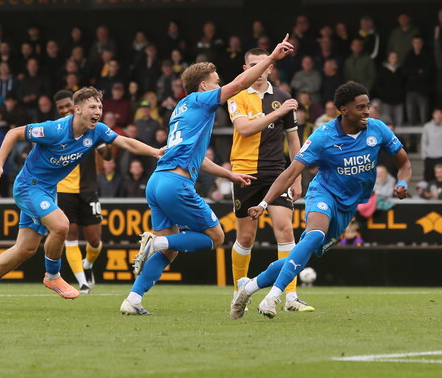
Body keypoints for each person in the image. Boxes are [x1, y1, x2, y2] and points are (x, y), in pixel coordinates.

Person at [120, 35, 293, 316]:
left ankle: (133, 299)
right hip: (176, 184)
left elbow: (198, 159)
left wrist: (230, 175)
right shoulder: (202, 100)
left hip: (157, 182)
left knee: (170, 249)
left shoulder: (180, 108)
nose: (219, 85)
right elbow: (239, 85)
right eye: (216, 81)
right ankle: (156, 241)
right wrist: (271, 59)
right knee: (215, 236)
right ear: (204, 86)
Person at [0, 87, 163, 308]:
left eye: (99, 106)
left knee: (25, 249)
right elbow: (13, 133)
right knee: (61, 226)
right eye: (92, 107)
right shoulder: (54, 129)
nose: (98, 111)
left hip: (47, 190)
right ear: (77, 109)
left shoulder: (96, 131)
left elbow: (125, 142)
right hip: (28, 187)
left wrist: (155, 152)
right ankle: (52, 276)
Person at [230, 81, 411, 319]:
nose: (367, 111)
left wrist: (403, 182)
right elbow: (290, 172)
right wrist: (264, 204)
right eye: (360, 107)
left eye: (367, 106)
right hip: (323, 193)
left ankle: (249, 288)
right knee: (314, 235)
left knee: (303, 253)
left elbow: (405, 163)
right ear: (343, 109)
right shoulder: (323, 137)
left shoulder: (378, 130)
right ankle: (272, 297)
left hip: (349, 206)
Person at [226, 48, 313, 313]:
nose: (259, 69)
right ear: (245, 69)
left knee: (285, 230)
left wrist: (296, 176)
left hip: (277, 172)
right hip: (245, 173)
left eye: (263, 64)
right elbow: (245, 128)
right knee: (246, 236)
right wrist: (279, 112)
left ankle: (290, 296)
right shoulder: (237, 97)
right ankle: (238, 291)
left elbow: (293, 138)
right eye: (253, 65)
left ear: (270, 68)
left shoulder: (283, 98)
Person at [52, 89, 113, 294]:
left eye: (67, 105)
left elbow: (107, 155)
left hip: (88, 189)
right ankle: (83, 283)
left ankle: (87, 265)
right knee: (70, 234)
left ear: (76, 105)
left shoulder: (90, 127)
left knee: (95, 240)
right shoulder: (56, 129)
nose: (64, 110)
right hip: (63, 190)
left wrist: (105, 146)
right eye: (60, 107)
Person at [420, 108, 442, 181]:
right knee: (428, 179)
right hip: (429, 157)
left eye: (440, 114)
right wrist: (424, 156)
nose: (438, 116)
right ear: (433, 115)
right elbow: (424, 142)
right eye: (436, 114)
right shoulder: (427, 126)